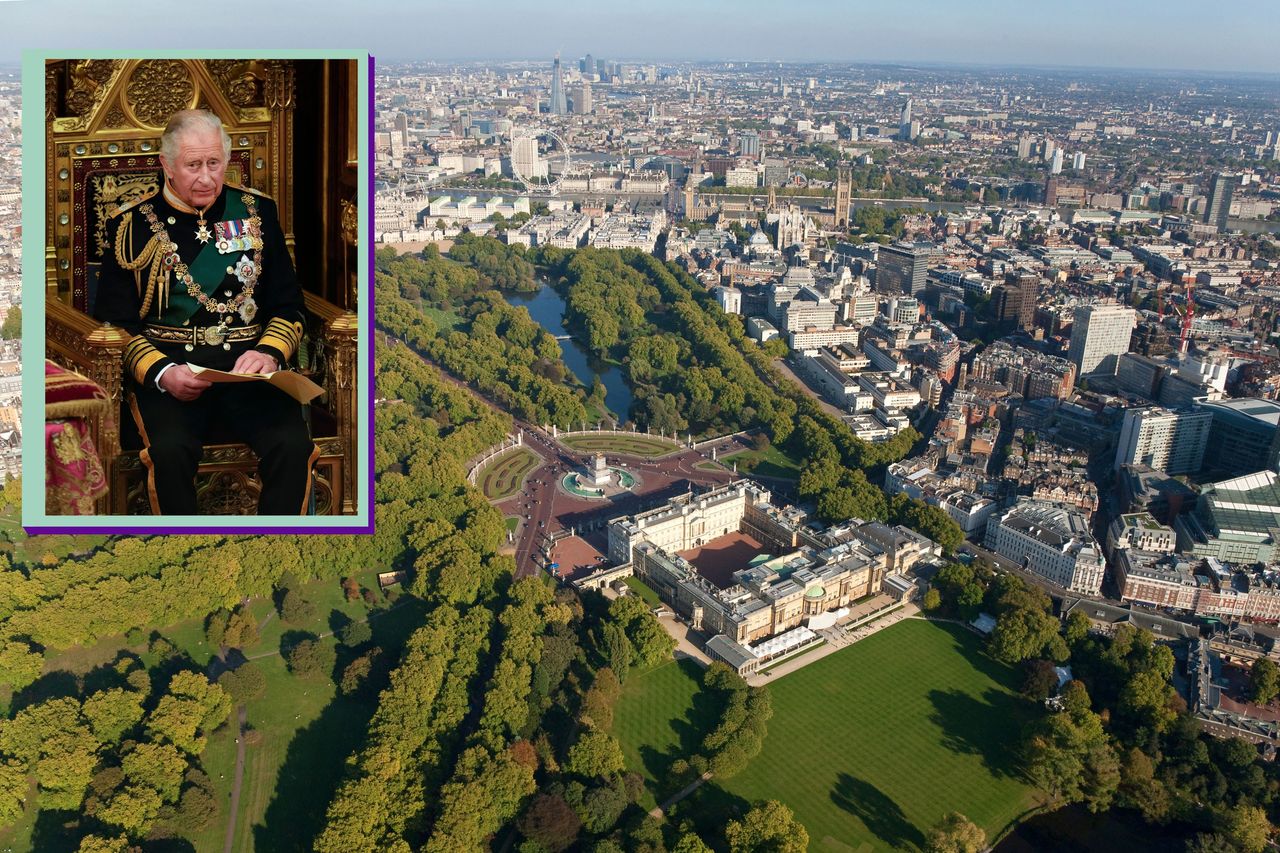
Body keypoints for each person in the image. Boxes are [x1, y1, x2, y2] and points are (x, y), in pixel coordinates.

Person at [94, 109, 317, 515]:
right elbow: (116, 324)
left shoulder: (256, 213)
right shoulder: (131, 226)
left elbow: (288, 304)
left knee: (293, 444)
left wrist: (269, 353)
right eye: (193, 164)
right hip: (172, 374)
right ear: (166, 164)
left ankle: (276, 546)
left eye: (214, 163)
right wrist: (163, 373)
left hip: (250, 372)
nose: (206, 177)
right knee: (170, 451)